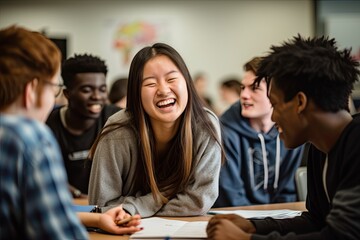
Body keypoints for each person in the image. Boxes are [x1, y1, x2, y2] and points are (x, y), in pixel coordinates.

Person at [207, 35, 360, 239]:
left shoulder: (356, 145)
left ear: (300, 102)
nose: (273, 116)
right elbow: (316, 220)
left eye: (276, 104)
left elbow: (340, 236)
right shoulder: (320, 148)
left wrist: (245, 239)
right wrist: (253, 226)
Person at [0, 25, 141, 239]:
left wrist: (96, 219)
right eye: (53, 88)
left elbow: (38, 211)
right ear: (32, 91)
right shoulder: (29, 137)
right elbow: (60, 234)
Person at [88, 43, 224, 217]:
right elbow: (102, 207)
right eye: (150, 83)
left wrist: (134, 208)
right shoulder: (117, 132)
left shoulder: (205, 125)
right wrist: (162, 197)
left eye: (171, 79)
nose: (163, 90)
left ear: (187, 83)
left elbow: (198, 200)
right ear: (136, 93)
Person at [213, 57, 304, 207]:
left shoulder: (291, 130)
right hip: (237, 218)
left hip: (279, 219)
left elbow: (288, 192)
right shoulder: (224, 132)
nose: (244, 95)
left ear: (276, 94)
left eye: (254, 88)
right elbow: (231, 196)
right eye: (243, 88)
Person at [46, 53, 120, 198]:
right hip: (68, 204)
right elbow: (46, 177)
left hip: (108, 206)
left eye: (102, 89)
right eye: (87, 90)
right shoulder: (49, 125)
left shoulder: (116, 119)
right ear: (67, 93)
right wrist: (78, 195)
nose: (97, 96)